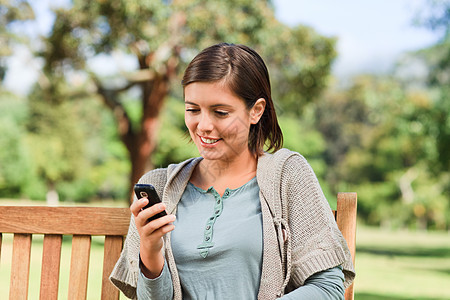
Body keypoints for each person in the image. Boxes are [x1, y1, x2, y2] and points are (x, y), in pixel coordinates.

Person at [110, 43, 355, 299]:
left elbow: (328, 288)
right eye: (192, 109)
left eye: (220, 112)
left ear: (256, 111)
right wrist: (150, 249)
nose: (203, 125)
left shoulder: (286, 175)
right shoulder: (160, 186)